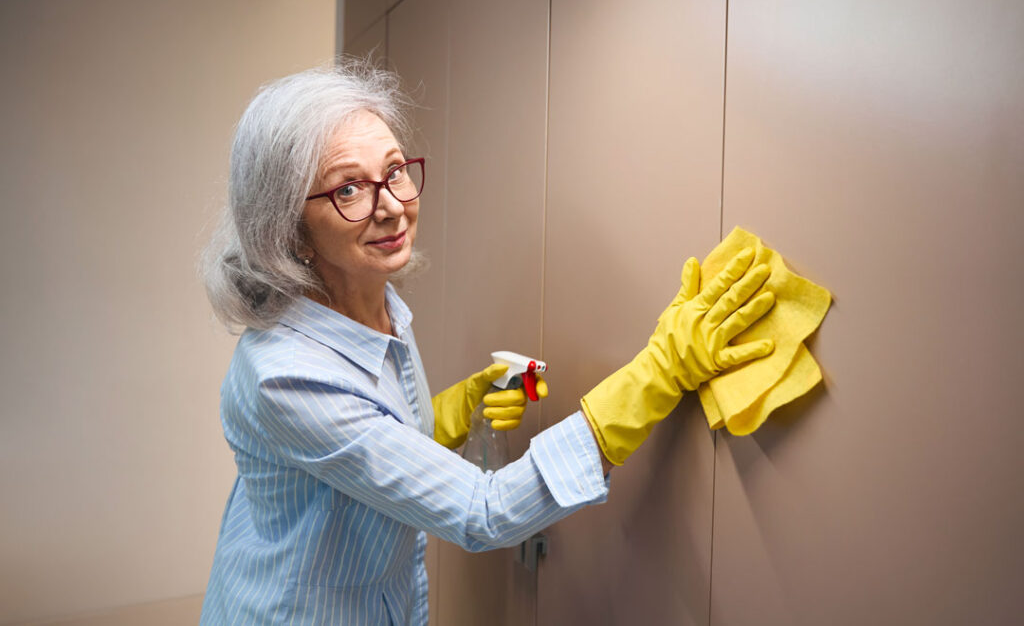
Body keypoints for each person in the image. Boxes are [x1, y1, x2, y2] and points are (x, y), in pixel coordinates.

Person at [199, 60, 777, 625]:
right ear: (289, 231)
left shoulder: (374, 299)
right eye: (348, 189)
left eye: (395, 171)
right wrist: (656, 375)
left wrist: (455, 411)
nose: (393, 206)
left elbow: (363, 444)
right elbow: (484, 511)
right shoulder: (285, 375)